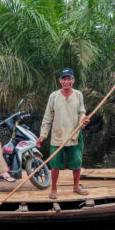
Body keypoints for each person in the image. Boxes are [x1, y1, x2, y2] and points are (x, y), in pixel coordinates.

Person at [36, 68, 90, 199]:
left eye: (69, 79)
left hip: (74, 135)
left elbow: (82, 112)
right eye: (64, 79)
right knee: (55, 165)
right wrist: (43, 135)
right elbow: (48, 117)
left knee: (77, 163)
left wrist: (83, 120)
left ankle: (76, 186)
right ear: (60, 81)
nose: (67, 81)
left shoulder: (78, 95)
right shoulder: (53, 96)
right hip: (57, 135)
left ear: (73, 80)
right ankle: (54, 188)